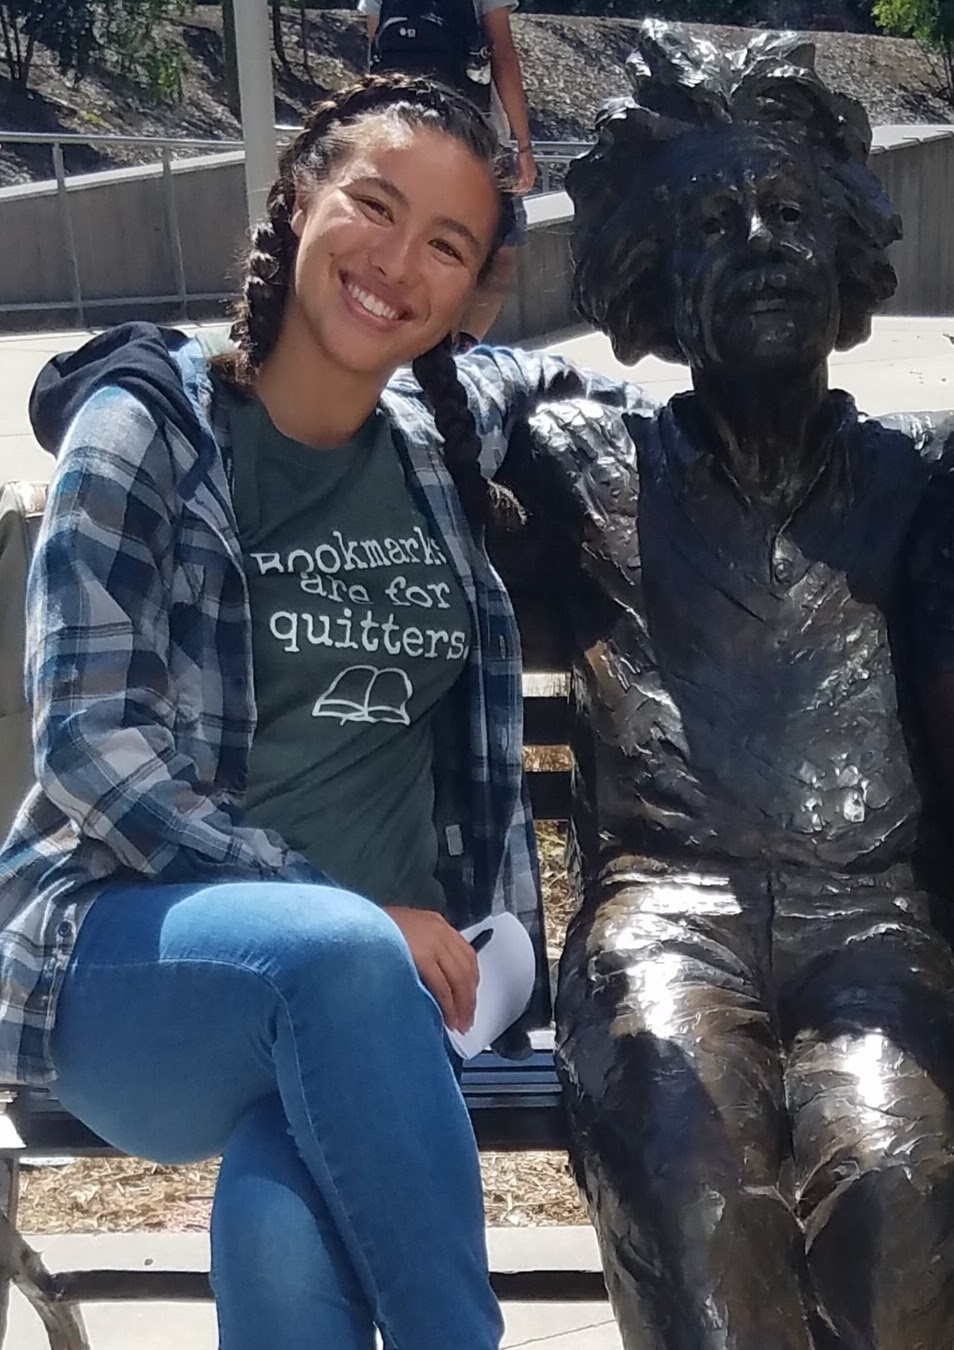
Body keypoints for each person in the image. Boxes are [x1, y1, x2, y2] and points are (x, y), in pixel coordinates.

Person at [0, 73, 625, 1350]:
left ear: (474, 286)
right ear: (298, 198)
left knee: (284, 1204)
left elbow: (614, 411)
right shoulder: (152, 430)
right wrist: (352, 912)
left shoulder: (436, 438)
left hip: (400, 1004)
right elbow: (87, 740)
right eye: (373, 207)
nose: (398, 262)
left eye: (446, 244)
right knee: (335, 964)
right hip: (134, 966)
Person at [493, 21, 954, 1350]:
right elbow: (375, 416)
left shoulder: (921, 491)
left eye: (792, 212)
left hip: (873, 918)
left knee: (896, 1172)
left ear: (847, 255)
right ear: (648, 279)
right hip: (664, 916)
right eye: (710, 218)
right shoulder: (578, 464)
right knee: (689, 1175)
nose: (758, 238)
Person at [361, 0, 537, 343]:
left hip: (402, 135)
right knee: (501, 253)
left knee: (411, 245)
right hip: (473, 139)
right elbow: (503, 57)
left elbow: (376, 57)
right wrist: (524, 145)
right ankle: (460, 352)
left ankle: (410, 345)